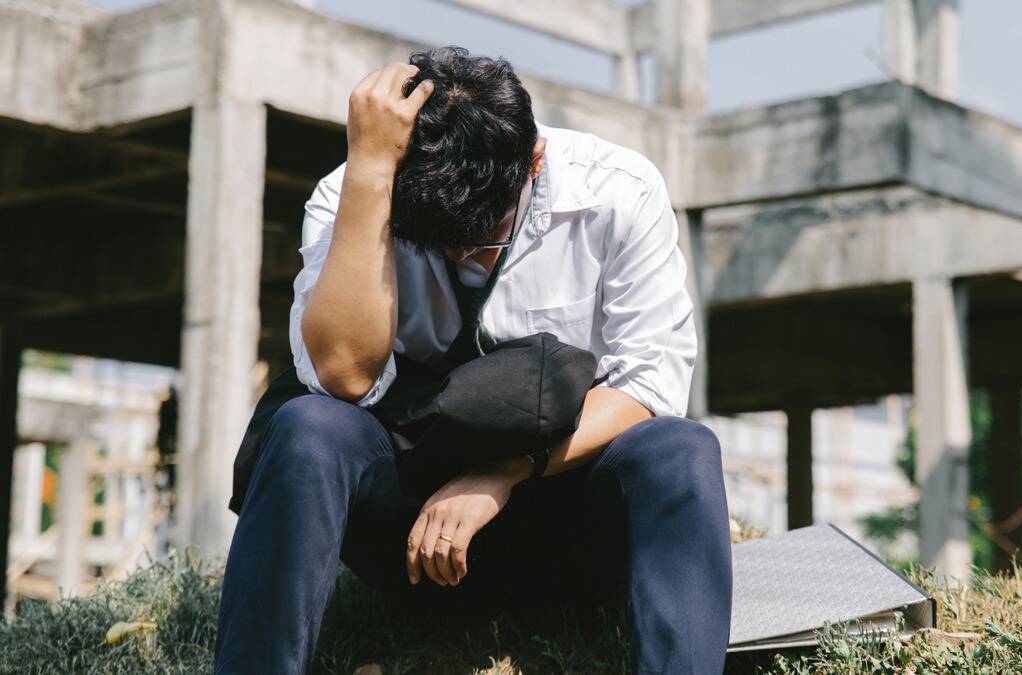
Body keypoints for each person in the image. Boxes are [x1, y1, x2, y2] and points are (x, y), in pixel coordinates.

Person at [213, 46, 733, 674]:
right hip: (413, 540)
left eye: (486, 236)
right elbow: (343, 375)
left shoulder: (619, 191)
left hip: (563, 516)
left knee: (680, 448)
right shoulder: (354, 191)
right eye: (438, 243)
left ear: (534, 160)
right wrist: (373, 172)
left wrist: (504, 473)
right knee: (306, 426)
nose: (468, 259)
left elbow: (650, 383)